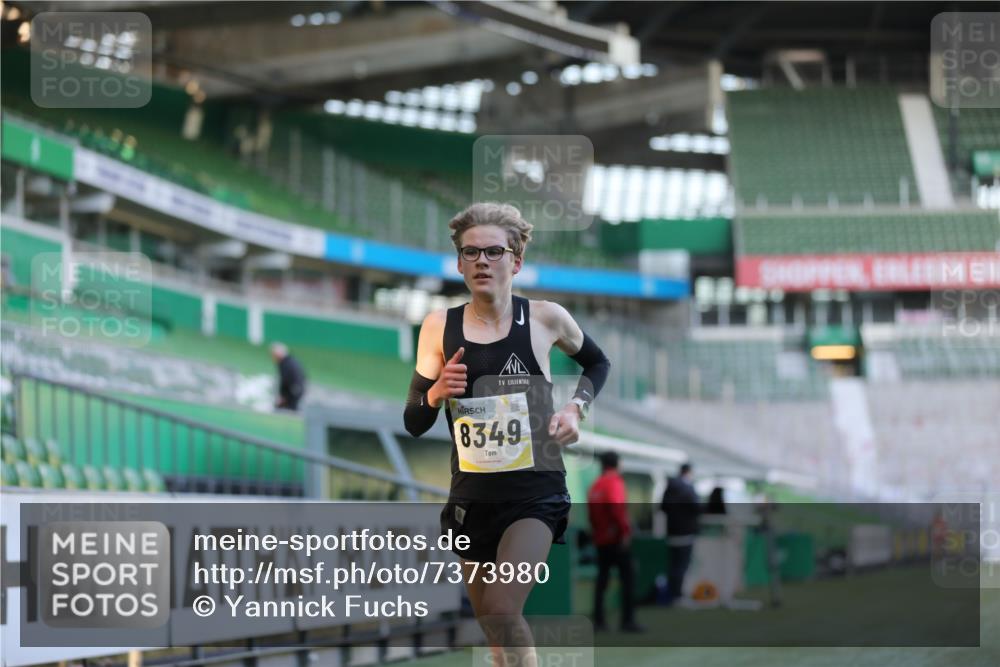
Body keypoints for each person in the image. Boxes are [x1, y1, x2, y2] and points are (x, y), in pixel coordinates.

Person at [403, 202, 611, 667]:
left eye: (494, 251)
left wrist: (575, 408)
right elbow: (414, 420)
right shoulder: (438, 327)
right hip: (471, 497)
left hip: (534, 493)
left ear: (516, 261)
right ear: (459, 263)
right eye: (471, 252)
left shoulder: (545, 318)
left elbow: (598, 362)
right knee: (495, 633)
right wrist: (435, 393)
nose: (482, 261)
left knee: (501, 609)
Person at [587, 451, 643, 632]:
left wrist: (598, 533)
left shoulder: (596, 485)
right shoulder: (614, 482)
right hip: (616, 539)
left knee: (602, 581)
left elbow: (592, 515)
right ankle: (628, 621)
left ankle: (599, 621)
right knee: (628, 579)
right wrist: (625, 532)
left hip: (601, 539)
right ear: (617, 464)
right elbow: (617, 508)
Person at [660, 462, 700, 606]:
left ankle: (673, 595)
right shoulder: (688, 488)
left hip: (672, 532)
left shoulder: (669, 487)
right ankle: (677, 595)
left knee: (674, 565)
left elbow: (663, 507)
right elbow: (696, 508)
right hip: (685, 532)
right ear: (689, 472)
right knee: (681, 565)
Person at [270, 342, 306, 411]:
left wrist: (284, 397)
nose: (273, 357)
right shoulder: (291, 361)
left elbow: (286, 381)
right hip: (296, 392)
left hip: (293, 394)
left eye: (274, 354)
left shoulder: (286, 364)